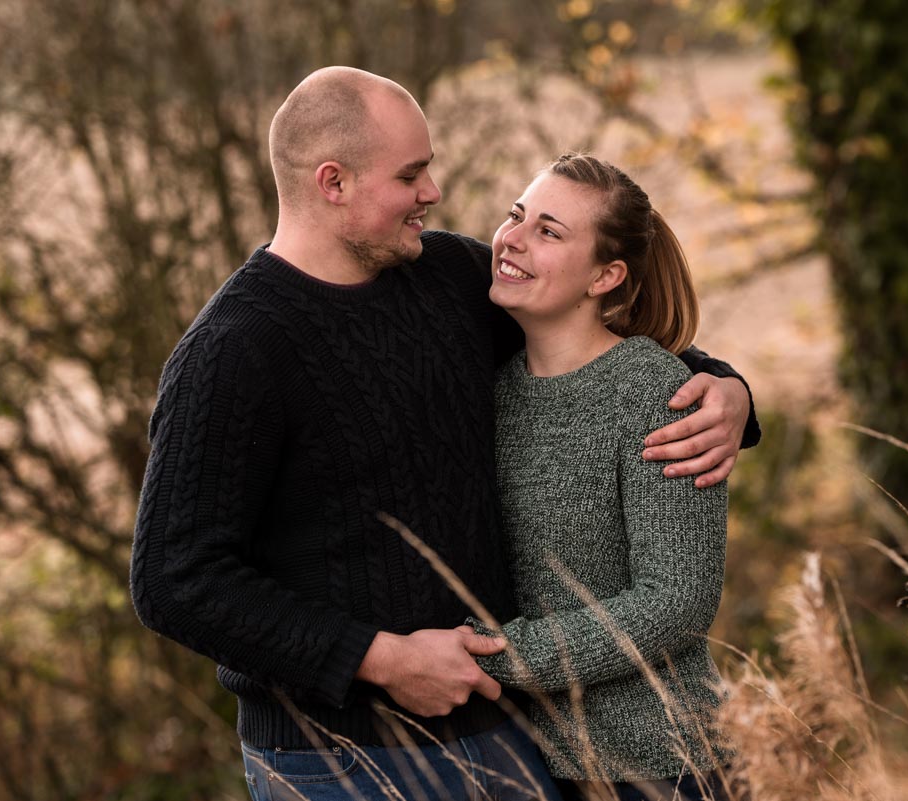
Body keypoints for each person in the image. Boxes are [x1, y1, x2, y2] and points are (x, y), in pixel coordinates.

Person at [129, 67, 758, 800]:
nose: (433, 191)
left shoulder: (449, 278)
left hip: (510, 739)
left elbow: (597, 340)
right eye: (412, 174)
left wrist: (729, 389)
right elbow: (174, 580)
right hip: (340, 760)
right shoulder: (236, 349)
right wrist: (377, 657)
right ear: (334, 182)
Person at [465, 154, 733, 801]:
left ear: (607, 275)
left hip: (658, 764)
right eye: (516, 216)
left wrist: (501, 656)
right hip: (527, 765)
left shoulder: (651, 390)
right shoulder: (493, 390)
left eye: (549, 232)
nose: (513, 240)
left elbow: (678, 599)